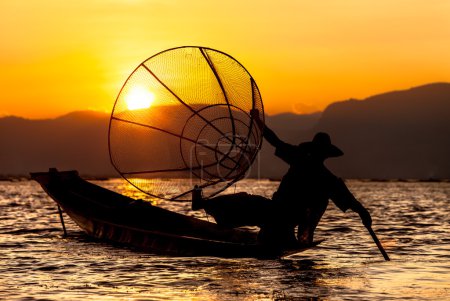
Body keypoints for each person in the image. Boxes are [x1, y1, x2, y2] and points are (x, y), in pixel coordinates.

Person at [192, 109, 372, 249]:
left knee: (256, 216)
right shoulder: (302, 160)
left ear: (323, 155)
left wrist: (363, 213)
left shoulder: (325, 177)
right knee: (244, 201)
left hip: (285, 219)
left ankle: (284, 237)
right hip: (274, 210)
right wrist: (257, 121)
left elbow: (349, 200)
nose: (314, 155)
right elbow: (275, 141)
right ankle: (202, 204)